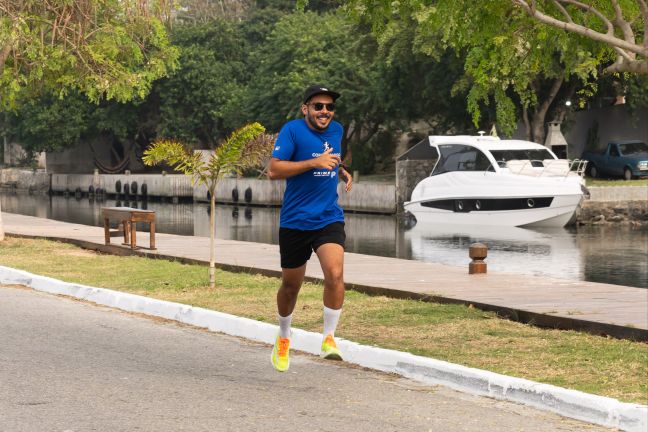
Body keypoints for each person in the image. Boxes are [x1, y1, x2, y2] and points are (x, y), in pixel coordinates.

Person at [267, 84, 353, 372]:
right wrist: (314, 162)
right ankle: (283, 336)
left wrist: (339, 170)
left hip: (328, 217)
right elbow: (274, 170)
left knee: (336, 273)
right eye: (318, 106)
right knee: (291, 286)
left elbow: (330, 158)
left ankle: (329, 338)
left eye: (329, 107)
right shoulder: (291, 130)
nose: (325, 112)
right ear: (305, 108)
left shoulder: (337, 130)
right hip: (294, 221)